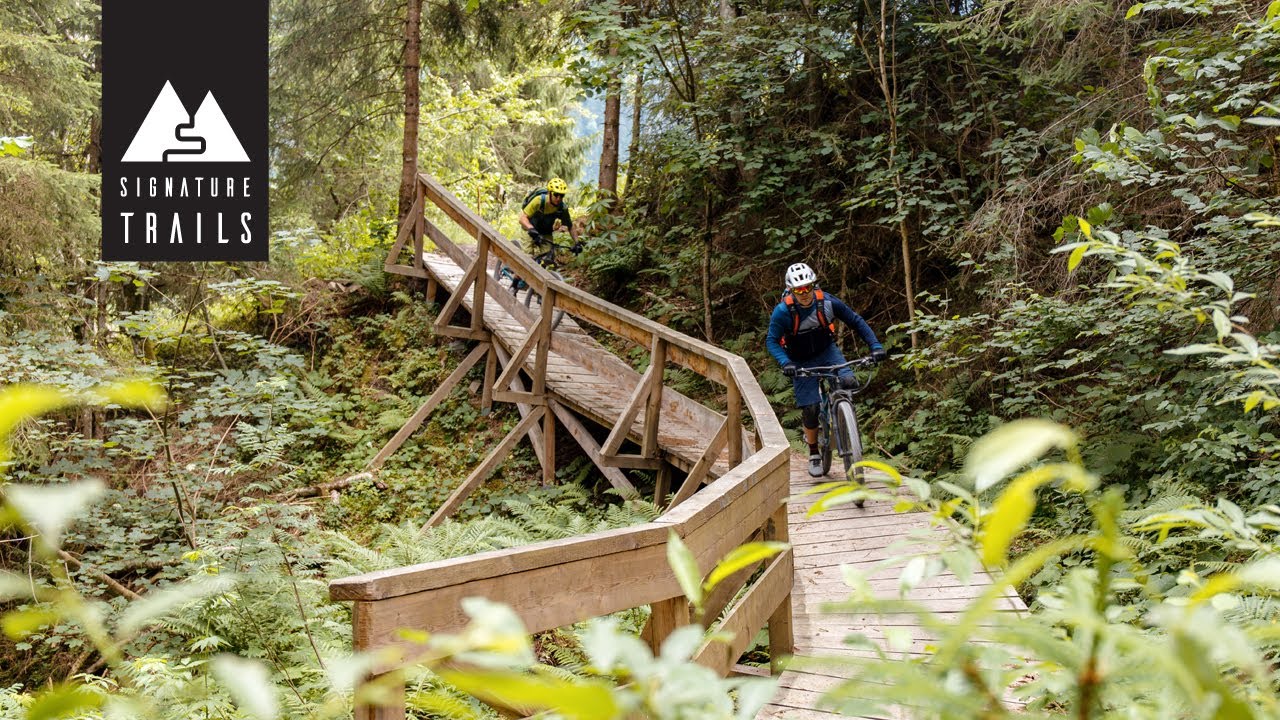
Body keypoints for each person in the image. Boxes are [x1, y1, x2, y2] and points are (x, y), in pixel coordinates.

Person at [765, 262, 888, 478]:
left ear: (814, 285)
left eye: (808, 287)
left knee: (848, 383)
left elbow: (856, 322)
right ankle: (814, 452)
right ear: (791, 290)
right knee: (811, 408)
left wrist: (875, 346)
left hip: (827, 351)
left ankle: (845, 421)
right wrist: (786, 363)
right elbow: (772, 341)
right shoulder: (783, 312)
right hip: (800, 359)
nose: (804, 293)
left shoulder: (828, 302)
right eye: (798, 290)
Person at [518, 177, 582, 254]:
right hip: (529, 229)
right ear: (549, 193)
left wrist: (577, 243)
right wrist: (531, 229)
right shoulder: (539, 201)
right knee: (527, 256)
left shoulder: (562, 208)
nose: (558, 198)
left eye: (561, 196)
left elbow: (570, 227)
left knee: (548, 257)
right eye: (556, 194)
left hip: (545, 232)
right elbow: (522, 218)